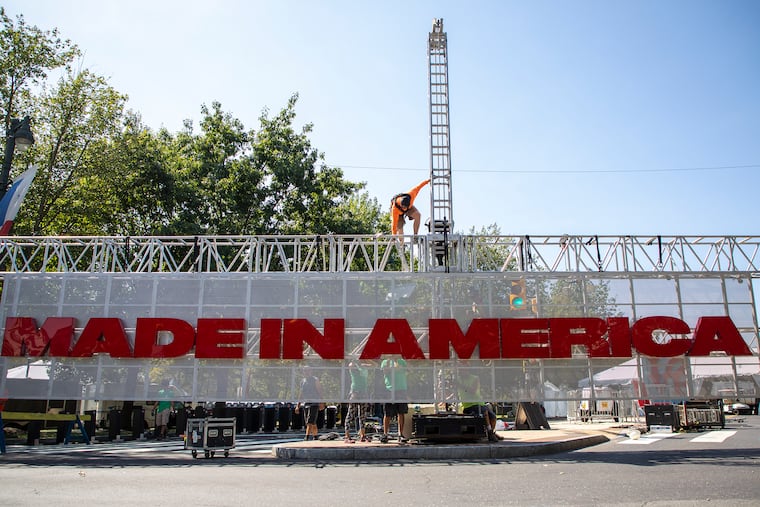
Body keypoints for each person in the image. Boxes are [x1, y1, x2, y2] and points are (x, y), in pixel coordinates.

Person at [457, 371, 502, 442]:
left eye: (464, 369)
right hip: (468, 405)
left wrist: (460, 385)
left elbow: (473, 391)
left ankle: (491, 433)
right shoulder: (458, 379)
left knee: (493, 417)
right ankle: (490, 434)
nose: (462, 372)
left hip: (480, 403)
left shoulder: (475, 378)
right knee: (485, 412)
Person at [381, 358, 409, 443]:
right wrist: (391, 364)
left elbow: (407, 371)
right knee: (388, 413)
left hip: (401, 389)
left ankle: (400, 434)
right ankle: (385, 434)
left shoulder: (402, 361)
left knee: (401, 412)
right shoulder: (385, 361)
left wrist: (400, 367)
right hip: (389, 389)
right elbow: (385, 372)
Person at [344, 360, 373, 443]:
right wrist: (356, 361)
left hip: (363, 392)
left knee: (362, 415)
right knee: (351, 413)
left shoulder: (363, 366)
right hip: (355, 392)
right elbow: (350, 365)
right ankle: (347, 436)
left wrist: (365, 363)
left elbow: (374, 364)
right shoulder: (353, 365)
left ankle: (362, 435)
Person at [295, 366, 323, 441]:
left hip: (314, 403)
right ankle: (315, 436)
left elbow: (319, 391)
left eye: (308, 370)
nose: (306, 372)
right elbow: (300, 393)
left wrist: (321, 402)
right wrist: (298, 405)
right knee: (312, 422)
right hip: (306, 403)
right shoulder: (303, 381)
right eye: (305, 371)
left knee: (309, 421)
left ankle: (306, 437)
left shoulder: (315, 380)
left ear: (311, 371)